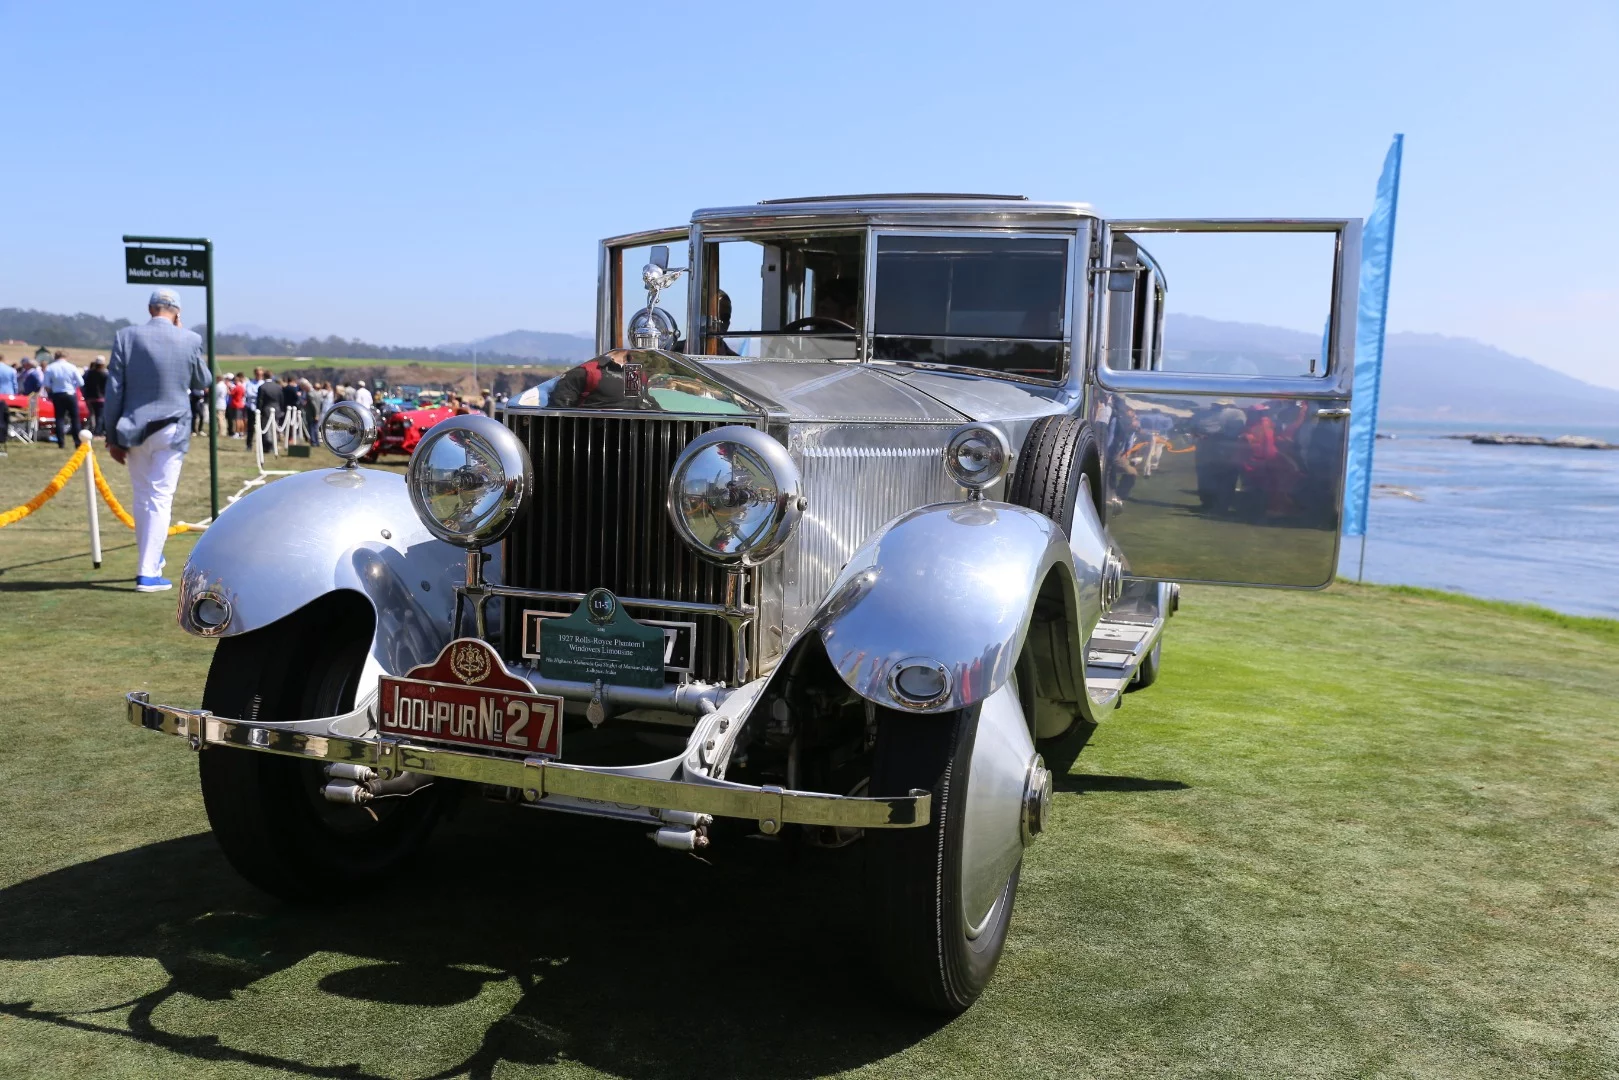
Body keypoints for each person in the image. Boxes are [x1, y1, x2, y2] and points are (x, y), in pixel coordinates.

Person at [103, 288, 209, 593]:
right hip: (172, 427)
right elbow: (203, 381)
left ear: (150, 309)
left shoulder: (126, 336)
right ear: (176, 311)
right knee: (161, 497)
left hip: (133, 427)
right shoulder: (190, 339)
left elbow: (114, 391)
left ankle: (150, 559)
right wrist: (184, 336)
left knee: (143, 496)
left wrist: (112, 435)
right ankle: (147, 571)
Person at [43, 350, 84, 449]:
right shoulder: (72, 367)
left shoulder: (50, 367)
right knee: (75, 418)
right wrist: (72, 386)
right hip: (70, 393)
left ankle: (61, 442)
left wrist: (51, 392)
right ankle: (77, 442)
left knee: (59, 418)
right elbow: (81, 382)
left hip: (57, 394)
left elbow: (47, 384)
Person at [83, 356, 108, 436]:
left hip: (90, 398)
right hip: (101, 398)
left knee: (92, 415)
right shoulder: (105, 374)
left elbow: (85, 384)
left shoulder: (89, 373)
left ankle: (92, 429)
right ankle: (98, 432)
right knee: (100, 416)